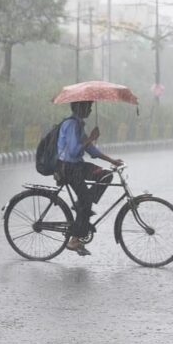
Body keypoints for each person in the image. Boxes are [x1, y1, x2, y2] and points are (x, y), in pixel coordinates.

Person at [57, 100, 123, 255]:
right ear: (80, 107)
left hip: (77, 166)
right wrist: (91, 137)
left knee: (105, 175)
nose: (91, 110)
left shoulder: (78, 125)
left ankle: (82, 206)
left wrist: (112, 161)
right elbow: (73, 151)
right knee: (86, 201)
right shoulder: (71, 125)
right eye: (88, 107)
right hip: (68, 168)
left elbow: (92, 151)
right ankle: (74, 240)